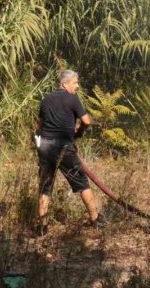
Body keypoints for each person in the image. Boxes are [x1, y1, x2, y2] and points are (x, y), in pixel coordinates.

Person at [35, 69, 102, 235]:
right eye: (75, 83)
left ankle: (42, 227)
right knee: (82, 183)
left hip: (45, 146)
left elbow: (39, 128)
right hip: (64, 147)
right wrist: (78, 133)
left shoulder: (46, 100)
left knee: (45, 186)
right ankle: (95, 220)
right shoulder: (72, 99)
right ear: (64, 84)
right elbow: (87, 121)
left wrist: (39, 146)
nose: (77, 86)